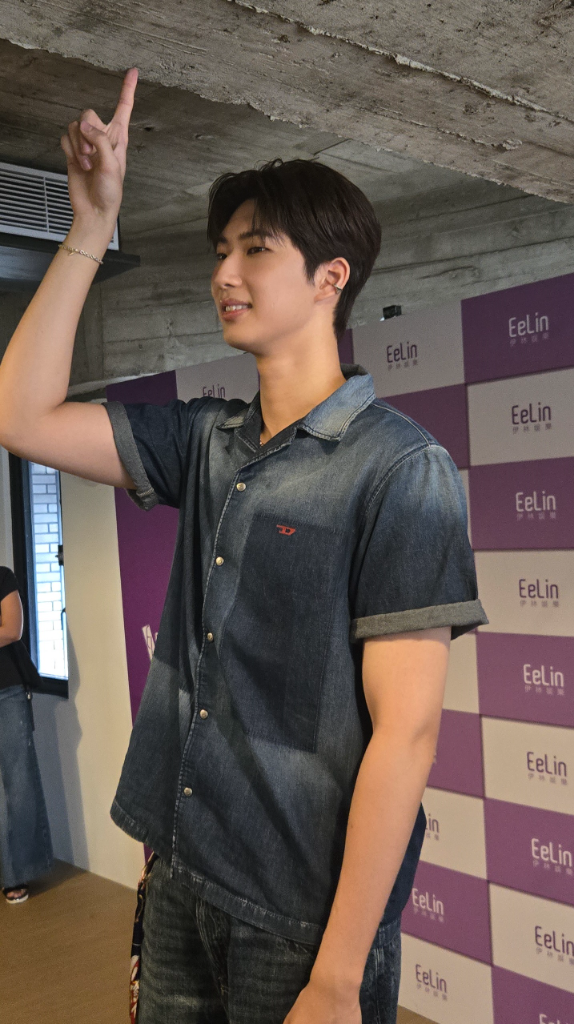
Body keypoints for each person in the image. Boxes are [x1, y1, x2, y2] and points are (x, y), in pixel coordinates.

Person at [0, 69, 487, 1023]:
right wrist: (91, 226)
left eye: (256, 249)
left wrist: (339, 974)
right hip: (181, 874)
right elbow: (20, 415)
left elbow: (407, 734)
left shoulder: (400, 468)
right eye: (221, 250)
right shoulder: (207, 441)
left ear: (331, 278)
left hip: (300, 919)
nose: (225, 272)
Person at [0, 565, 53, 903]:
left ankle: (16, 873)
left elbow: (12, 628)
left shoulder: (2, 576)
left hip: (6, 692)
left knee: (18, 784)